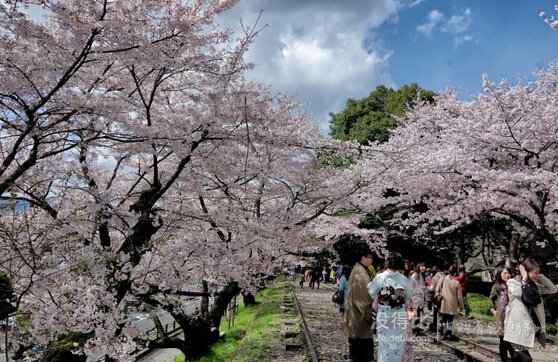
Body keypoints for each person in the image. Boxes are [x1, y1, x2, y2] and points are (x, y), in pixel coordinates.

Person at [504, 258, 557, 359]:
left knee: (518, 357)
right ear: (526, 271)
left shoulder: (534, 286)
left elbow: (552, 289)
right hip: (517, 326)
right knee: (526, 358)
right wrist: (524, 278)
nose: (537, 276)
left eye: (538, 273)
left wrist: (538, 276)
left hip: (528, 327)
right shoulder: (512, 282)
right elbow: (518, 293)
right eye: (535, 273)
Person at [367, 252, 412, 362]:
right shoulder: (403, 279)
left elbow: (371, 291)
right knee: (397, 344)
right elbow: (409, 295)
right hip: (399, 313)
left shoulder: (380, 277)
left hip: (384, 313)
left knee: (384, 344)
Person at [343, 243, 375, 362]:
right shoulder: (361, 274)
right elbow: (365, 301)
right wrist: (372, 317)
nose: (372, 259)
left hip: (355, 321)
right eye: (370, 257)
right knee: (363, 356)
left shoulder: (359, 269)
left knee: (356, 354)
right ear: (363, 257)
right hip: (360, 323)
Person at [489, 265, 515, 362]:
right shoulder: (496, 286)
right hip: (501, 317)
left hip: (513, 316)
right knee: (503, 340)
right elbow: (491, 299)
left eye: (508, 273)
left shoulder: (514, 285)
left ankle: (513, 358)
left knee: (512, 341)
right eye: (504, 273)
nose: (507, 275)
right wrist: (493, 310)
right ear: (500, 274)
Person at [436, 265, 464, 341]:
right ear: (455, 273)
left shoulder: (443, 279)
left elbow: (437, 290)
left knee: (444, 318)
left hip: (444, 303)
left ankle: (443, 332)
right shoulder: (457, 283)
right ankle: (449, 333)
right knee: (451, 320)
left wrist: (439, 296)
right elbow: (459, 296)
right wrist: (461, 306)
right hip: (453, 305)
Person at [427, 265, 445, 332]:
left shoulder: (434, 278)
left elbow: (431, 289)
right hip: (445, 296)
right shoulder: (444, 276)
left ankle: (435, 324)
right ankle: (443, 325)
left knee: (436, 311)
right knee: (442, 312)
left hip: (437, 296)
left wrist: (427, 287)